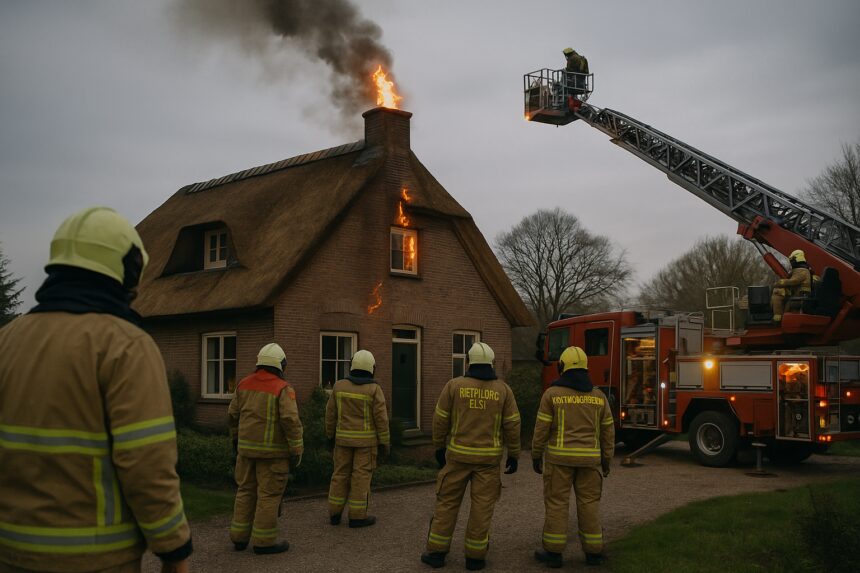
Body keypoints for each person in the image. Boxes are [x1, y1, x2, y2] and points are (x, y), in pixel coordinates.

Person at [0, 207, 192, 573]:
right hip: (95, 557)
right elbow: (147, 463)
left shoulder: (6, 340)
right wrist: (174, 549)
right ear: (127, 269)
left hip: (11, 552)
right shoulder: (126, 346)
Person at [421, 342, 521, 571]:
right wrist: (514, 454)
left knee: (447, 504)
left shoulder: (454, 386)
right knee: (482, 508)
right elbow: (513, 425)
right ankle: (475, 558)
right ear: (492, 363)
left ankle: (436, 554)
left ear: (468, 362)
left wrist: (439, 447)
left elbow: (440, 419)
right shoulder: (504, 390)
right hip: (488, 462)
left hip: (457, 458)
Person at [532, 346, 614, 568]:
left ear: (562, 368)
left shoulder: (552, 395)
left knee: (557, 504)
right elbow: (608, 433)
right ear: (586, 369)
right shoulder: (599, 397)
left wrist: (536, 455)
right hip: (590, 462)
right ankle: (594, 553)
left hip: (559, 461)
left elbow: (541, 429)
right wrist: (606, 460)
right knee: (589, 504)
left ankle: (553, 553)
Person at [228, 343, 304, 555]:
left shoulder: (243, 384)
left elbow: (232, 415)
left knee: (245, 492)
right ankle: (264, 542)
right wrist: (297, 449)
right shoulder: (282, 388)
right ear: (280, 365)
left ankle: (239, 538)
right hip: (273, 455)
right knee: (268, 496)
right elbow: (290, 421)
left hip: (245, 452)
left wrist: (235, 440)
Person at [325, 349, 390, 528]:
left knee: (339, 475)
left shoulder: (339, 386)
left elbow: (330, 415)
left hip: (342, 442)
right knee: (360, 478)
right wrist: (385, 443)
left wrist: (329, 436)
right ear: (372, 368)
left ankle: (334, 514)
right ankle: (357, 516)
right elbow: (382, 420)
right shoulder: (374, 389)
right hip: (366, 445)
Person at [771, 249, 813, 322]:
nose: (791, 262)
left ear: (797, 259)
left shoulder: (802, 270)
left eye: (792, 260)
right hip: (797, 295)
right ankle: (779, 317)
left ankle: (778, 317)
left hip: (800, 297)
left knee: (778, 292)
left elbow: (794, 281)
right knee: (779, 293)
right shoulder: (799, 270)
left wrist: (780, 282)